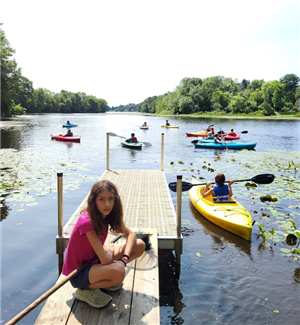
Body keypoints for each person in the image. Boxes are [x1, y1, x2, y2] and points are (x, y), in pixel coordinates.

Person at [62, 180, 146, 308]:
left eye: (110, 199)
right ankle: (85, 290)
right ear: (94, 201)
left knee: (139, 245)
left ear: (115, 200)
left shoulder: (107, 214)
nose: (107, 204)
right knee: (119, 271)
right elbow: (105, 260)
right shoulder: (87, 222)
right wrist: (110, 251)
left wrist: (124, 259)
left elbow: (132, 235)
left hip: (96, 259)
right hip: (79, 273)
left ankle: (106, 280)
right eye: (101, 199)